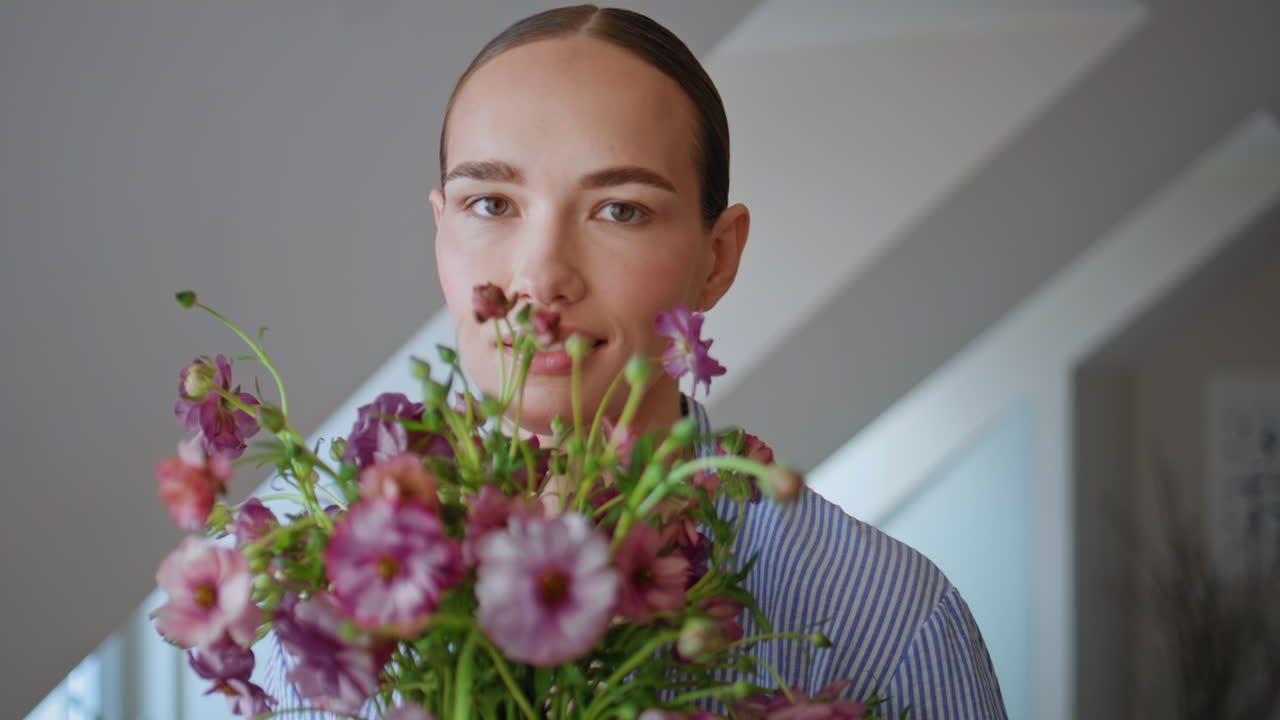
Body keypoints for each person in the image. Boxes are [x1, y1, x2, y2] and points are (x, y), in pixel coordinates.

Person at [260, 5, 1008, 718]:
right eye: (490, 204)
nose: (541, 276)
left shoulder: (893, 621)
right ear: (439, 228)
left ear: (718, 257)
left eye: (620, 210)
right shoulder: (296, 587)